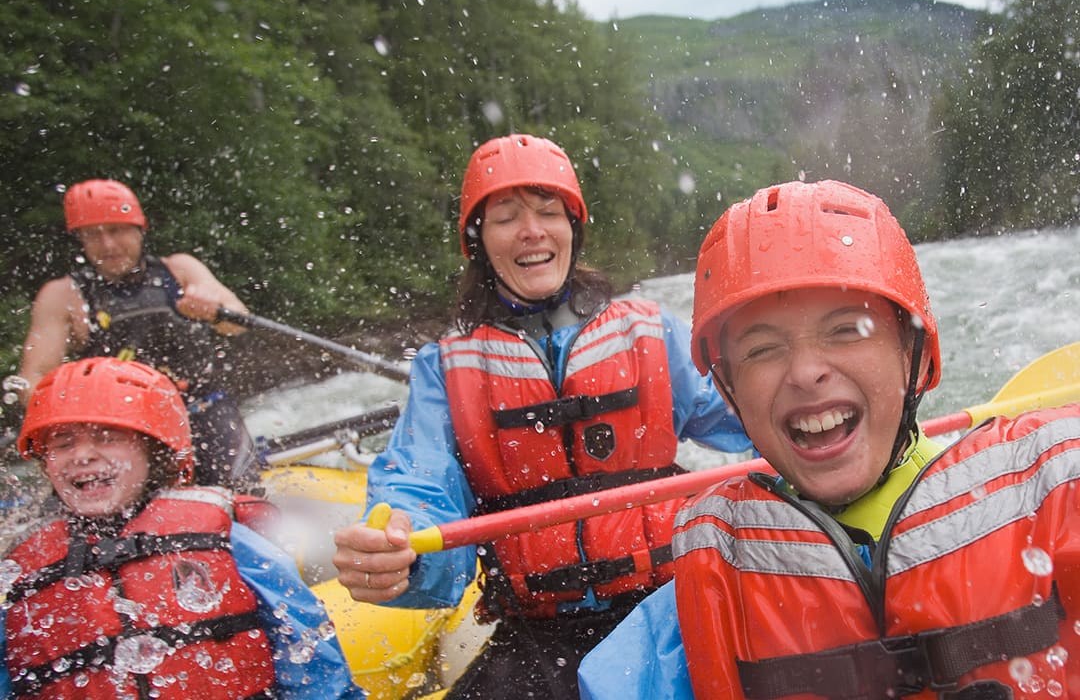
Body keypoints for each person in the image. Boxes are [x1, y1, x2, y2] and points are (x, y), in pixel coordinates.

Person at [579, 178, 1080, 700]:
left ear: (919, 357)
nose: (806, 371)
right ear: (729, 394)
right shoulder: (685, 616)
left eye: (846, 330)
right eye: (762, 349)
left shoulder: (1053, 505)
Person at [332, 133, 751, 698]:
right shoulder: (444, 370)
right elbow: (420, 478)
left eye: (548, 212)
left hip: (670, 603)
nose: (531, 231)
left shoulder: (650, 332)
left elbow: (749, 415)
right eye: (505, 217)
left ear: (572, 229)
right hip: (539, 633)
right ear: (480, 242)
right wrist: (400, 544)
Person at [0, 356, 364, 699]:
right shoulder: (24, 569)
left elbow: (304, 643)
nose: (82, 455)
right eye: (63, 444)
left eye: (107, 438)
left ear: (155, 452)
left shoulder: (224, 536)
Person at [11, 178, 258, 487]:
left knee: (244, 494)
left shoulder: (180, 270)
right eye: (93, 235)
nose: (108, 245)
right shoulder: (63, 296)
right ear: (80, 240)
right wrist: (79, 412)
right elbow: (32, 381)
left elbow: (238, 322)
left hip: (202, 411)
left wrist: (213, 307)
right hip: (124, 429)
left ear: (140, 229)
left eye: (116, 230)